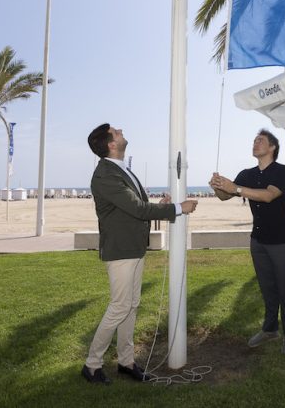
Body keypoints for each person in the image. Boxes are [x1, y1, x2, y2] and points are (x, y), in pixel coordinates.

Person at [82, 123, 198, 385]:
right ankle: (92, 365)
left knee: (131, 306)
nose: (121, 131)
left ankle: (126, 361)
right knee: (120, 306)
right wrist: (179, 208)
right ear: (111, 144)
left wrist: (161, 207)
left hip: (133, 248)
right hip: (120, 251)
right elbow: (137, 209)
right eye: (117, 132)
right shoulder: (104, 175)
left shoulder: (120, 170)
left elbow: (135, 209)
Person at [209, 129, 285, 355]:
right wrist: (218, 186)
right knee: (267, 288)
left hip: (280, 240)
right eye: (254, 140)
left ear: (272, 148)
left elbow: (268, 195)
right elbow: (225, 196)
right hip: (257, 240)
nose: (255, 143)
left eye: (261, 141)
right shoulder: (247, 173)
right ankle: (270, 330)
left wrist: (235, 188)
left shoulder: (282, 171)